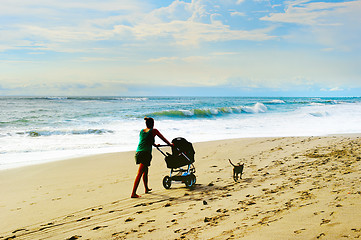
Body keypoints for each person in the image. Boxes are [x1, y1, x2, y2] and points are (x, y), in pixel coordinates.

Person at [131, 117, 172, 198]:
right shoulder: (154, 131)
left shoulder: (142, 131)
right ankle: (133, 193)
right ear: (153, 124)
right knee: (140, 173)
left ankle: (146, 188)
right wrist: (170, 144)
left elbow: (147, 140)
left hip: (138, 152)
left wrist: (155, 145)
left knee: (145, 171)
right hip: (145, 153)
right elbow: (163, 138)